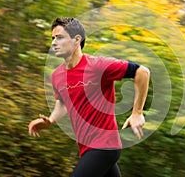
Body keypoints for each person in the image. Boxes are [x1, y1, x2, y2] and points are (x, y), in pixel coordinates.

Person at [28, 17, 150, 177]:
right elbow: (63, 103)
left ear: (77, 40)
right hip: (86, 148)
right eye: (53, 38)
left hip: (105, 145)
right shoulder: (57, 76)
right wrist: (50, 121)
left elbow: (142, 72)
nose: (53, 43)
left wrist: (137, 112)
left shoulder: (98, 66)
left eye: (59, 37)